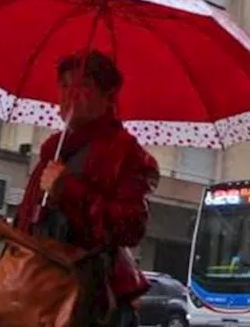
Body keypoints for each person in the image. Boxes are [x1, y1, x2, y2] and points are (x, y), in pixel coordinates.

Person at [13, 50, 159, 326]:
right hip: (41, 291)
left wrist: (67, 188)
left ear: (108, 96)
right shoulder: (53, 150)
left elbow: (130, 227)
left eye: (83, 85)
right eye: (64, 85)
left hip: (93, 300)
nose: (70, 94)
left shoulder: (125, 153)